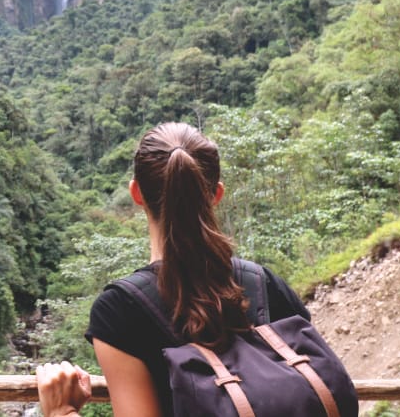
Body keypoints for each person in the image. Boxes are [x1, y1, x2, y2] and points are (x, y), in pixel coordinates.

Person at [36, 121, 310, 416]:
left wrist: (62, 411)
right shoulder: (264, 284)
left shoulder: (120, 311)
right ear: (216, 195)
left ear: (136, 193)